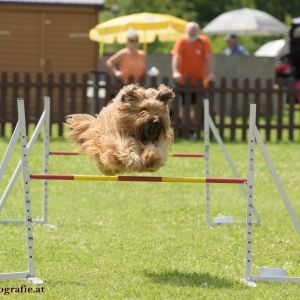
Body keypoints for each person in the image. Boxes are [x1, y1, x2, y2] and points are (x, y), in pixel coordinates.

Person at [172, 21, 215, 139]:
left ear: (198, 31)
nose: (192, 33)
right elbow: (176, 57)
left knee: (196, 108)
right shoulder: (181, 41)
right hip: (183, 82)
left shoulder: (204, 41)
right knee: (183, 108)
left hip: (199, 82)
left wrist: (211, 73)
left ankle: (193, 132)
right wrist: (175, 72)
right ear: (186, 31)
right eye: (190, 31)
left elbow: (209, 57)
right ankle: (185, 132)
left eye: (194, 31)